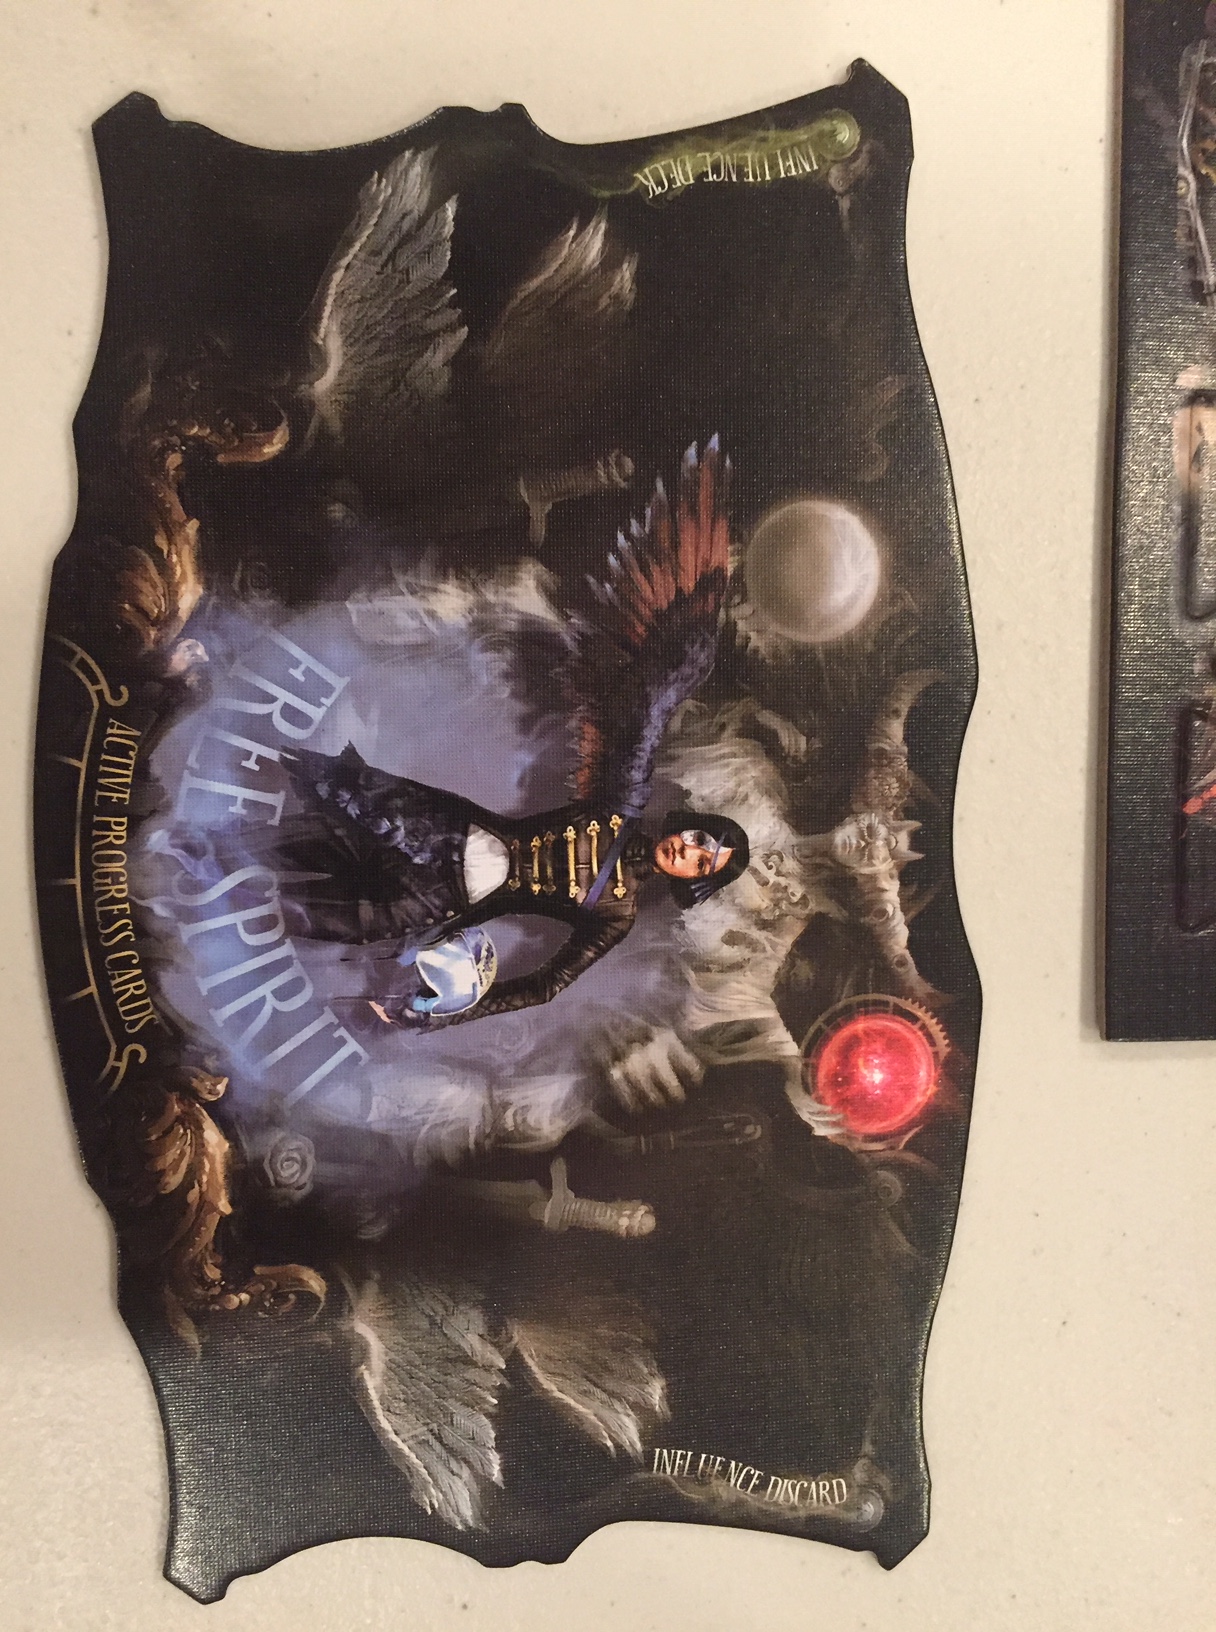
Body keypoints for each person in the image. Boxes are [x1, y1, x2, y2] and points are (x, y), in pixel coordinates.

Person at [271, 742, 748, 1026]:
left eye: (701, 864)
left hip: (434, 901)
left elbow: (546, 986)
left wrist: (439, 1011)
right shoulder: (621, 802)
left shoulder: (616, 915)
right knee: (272, 843)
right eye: (699, 839)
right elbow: (641, 720)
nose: (687, 852)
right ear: (690, 825)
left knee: (287, 914)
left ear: (694, 880)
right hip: (432, 827)